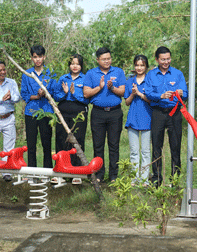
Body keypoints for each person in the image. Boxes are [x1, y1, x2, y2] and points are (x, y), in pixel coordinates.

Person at [144, 46, 188, 187]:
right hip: (158, 113)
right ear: (157, 59)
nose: (166, 62)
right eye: (163, 59)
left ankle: (175, 180)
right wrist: (160, 96)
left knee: (175, 146)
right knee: (156, 146)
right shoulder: (151, 75)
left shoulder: (178, 74)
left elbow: (186, 93)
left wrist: (181, 93)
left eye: (168, 59)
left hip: (174, 113)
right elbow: (148, 93)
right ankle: (156, 180)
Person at [83, 47, 126, 182]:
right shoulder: (91, 73)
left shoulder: (118, 72)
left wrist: (112, 88)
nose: (107, 61)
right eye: (103, 59)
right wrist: (99, 88)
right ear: (97, 60)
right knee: (98, 145)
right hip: (98, 113)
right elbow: (86, 93)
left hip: (115, 112)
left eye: (109, 58)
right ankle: (99, 174)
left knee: (114, 145)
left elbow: (123, 92)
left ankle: (114, 176)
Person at [53, 54, 89, 185]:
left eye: (78, 64)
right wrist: (65, 93)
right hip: (63, 111)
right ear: (69, 65)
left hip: (79, 111)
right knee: (61, 140)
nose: (75, 66)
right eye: (72, 63)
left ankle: (77, 172)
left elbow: (87, 99)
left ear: (81, 65)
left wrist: (74, 94)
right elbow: (56, 96)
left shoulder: (86, 79)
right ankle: (60, 172)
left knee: (77, 141)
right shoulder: (63, 78)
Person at [21, 45, 55, 168]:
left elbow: (55, 92)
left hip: (46, 111)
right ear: (31, 58)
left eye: (40, 57)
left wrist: (45, 93)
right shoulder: (27, 74)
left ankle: (48, 172)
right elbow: (24, 94)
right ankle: (32, 172)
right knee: (31, 144)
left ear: (44, 57)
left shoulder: (50, 73)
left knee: (46, 143)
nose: (38, 60)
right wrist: (36, 96)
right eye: (35, 57)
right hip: (31, 112)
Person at [124, 55, 152, 184]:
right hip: (133, 119)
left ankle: (145, 179)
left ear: (146, 66)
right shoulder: (130, 81)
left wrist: (140, 94)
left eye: (142, 65)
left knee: (145, 151)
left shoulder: (151, 80)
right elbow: (127, 102)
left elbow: (152, 100)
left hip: (147, 119)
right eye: (137, 65)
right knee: (134, 151)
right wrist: (132, 93)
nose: (139, 68)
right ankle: (134, 178)